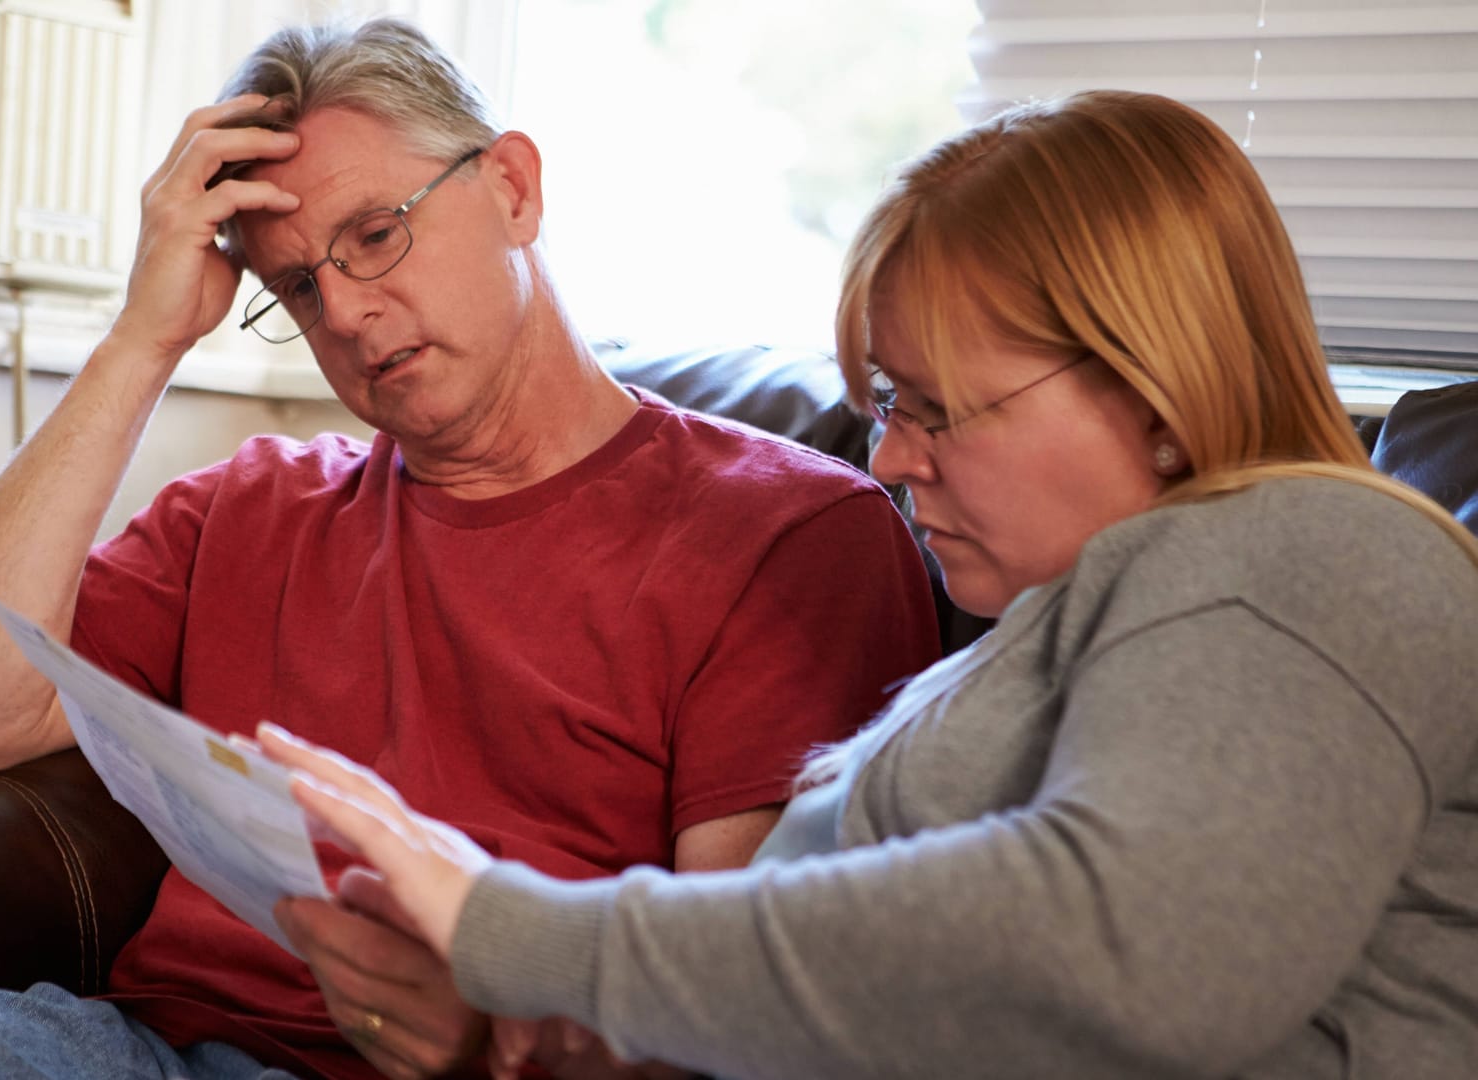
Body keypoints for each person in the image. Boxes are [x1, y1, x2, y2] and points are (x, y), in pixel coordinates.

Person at [0, 16, 939, 1080]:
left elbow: (741, 997)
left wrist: (496, 1029)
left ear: (512, 188)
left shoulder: (787, 531)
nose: (345, 312)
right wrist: (145, 335)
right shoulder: (257, 506)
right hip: (155, 1053)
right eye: (295, 285)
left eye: (377, 234)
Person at [251, 89, 1478, 1080]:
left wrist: (515, 932)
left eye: (937, 408)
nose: (887, 459)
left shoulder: (1314, 552)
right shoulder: (1054, 631)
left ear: (1153, 393)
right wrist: (568, 1034)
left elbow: (1135, 948)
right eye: (884, 407)